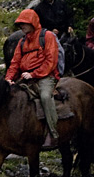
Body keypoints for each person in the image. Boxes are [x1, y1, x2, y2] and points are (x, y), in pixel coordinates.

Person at [6, 9, 60, 146]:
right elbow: (15, 62)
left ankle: (54, 133)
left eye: (24, 23)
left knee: (45, 96)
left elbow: (51, 61)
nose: (22, 27)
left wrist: (34, 74)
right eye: (20, 24)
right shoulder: (22, 42)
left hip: (46, 76)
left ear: (33, 23)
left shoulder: (47, 36)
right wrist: (9, 78)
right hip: (26, 77)